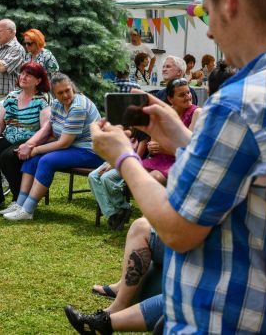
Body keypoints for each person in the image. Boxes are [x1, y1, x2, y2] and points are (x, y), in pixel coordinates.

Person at [89, 0, 266, 333]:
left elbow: (177, 229)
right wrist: (183, 138)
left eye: (207, 13)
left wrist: (124, 157)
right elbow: (261, 174)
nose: (210, 29)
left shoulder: (237, 106)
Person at [68, 57, 237, 335]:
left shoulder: (217, 121)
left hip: (214, 263)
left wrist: (123, 157)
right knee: (137, 220)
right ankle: (115, 303)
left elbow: (181, 227)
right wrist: (173, 138)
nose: (189, 96)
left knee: (180, 273)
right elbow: (201, 165)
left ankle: (108, 318)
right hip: (208, 237)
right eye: (181, 93)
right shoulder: (229, 121)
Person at [2, 73, 103, 220]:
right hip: (73, 148)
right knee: (33, 158)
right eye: (60, 93)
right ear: (54, 95)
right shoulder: (56, 105)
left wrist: (35, 149)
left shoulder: (78, 107)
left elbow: (64, 143)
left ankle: (28, 211)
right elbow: (53, 134)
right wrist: (32, 147)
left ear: (72, 88)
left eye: (68, 90)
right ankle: (20, 203)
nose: (65, 95)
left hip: (90, 151)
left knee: (46, 160)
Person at [0, 62, 51, 211]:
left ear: (38, 81)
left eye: (29, 75)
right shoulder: (12, 97)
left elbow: (45, 129)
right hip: (10, 137)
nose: (23, 77)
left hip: (30, 140)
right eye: (23, 73)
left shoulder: (41, 100)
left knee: (8, 156)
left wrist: (29, 144)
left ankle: (19, 199)